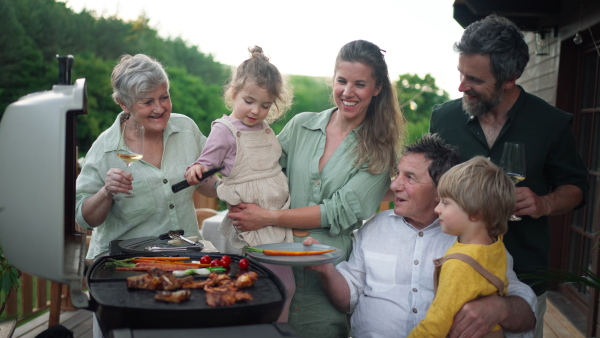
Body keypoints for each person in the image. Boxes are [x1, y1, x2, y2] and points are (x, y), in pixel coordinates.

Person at [227, 40, 404, 337]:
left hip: (326, 275)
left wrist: (268, 217)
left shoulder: (379, 151)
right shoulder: (301, 125)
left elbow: (337, 212)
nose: (348, 92)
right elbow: (264, 171)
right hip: (272, 262)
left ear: (377, 89)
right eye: (342, 81)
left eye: (360, 84)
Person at [429, 14, 589, 337]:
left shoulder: (551, 123)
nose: (461, 86)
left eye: (474, 79)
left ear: (509, 78)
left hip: (525, 279)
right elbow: (428, 182)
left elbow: (577, 189)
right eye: (461, 73)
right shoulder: (443, 118)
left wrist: (544, 203)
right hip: (453, 270)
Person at [306, 134, 536, 338]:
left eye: (410, 177)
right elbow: (349, 297)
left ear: (441, 189)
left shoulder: (472, 237)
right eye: (397, 174)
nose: (395, 185)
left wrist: (501, 308)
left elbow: (525, 310)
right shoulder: (375, 227)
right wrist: (326, 269)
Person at [184, 46, 295, 322]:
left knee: (278, 286)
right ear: (233, 91)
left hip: (278, 215)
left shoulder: (265, 128)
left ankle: (270, 328)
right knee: (279, 286)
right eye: (249, 101)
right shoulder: (225, 130)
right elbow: (205, 162)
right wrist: (197, 169)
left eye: (266, 105)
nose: (256, 111)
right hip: (253, 221)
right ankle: (268, 329)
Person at [408, 156, 515, 337]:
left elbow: (436, 324)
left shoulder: (460, 266)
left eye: (446, 203)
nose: (437, 209)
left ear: (475, 212)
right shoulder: (494, 244)